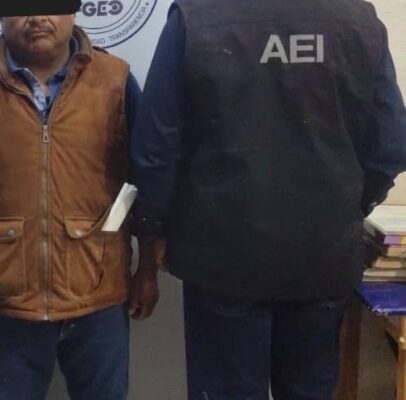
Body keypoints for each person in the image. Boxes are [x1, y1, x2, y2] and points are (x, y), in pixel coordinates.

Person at [132, 0, 406, 398]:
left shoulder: (197, 16)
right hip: (321, 254)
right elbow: (390, 145)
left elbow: (156, 146)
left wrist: (151, 229)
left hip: (222, 257)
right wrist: (348, 207)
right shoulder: (357, 19)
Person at [0, 13, 154, 400]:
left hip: (99, 297)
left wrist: (147, 267)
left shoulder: (116, 81)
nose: (37, 16)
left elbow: (142, 180)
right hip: (6, 304)